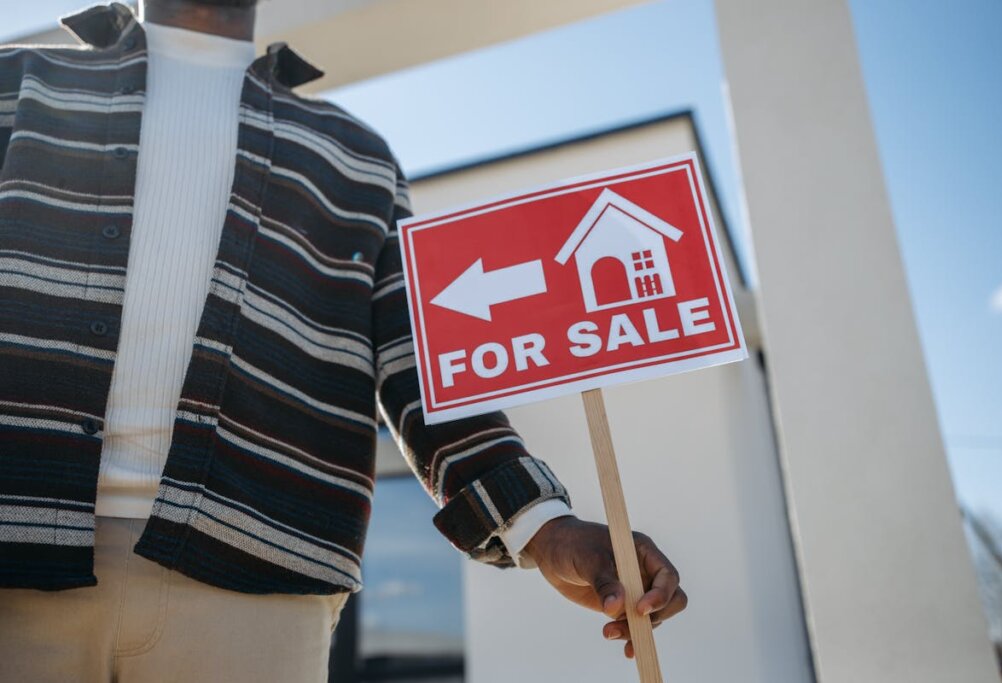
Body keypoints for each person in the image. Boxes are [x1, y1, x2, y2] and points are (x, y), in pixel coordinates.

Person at [0, 1, 687, 680]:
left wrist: (544, 524)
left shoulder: (357, 155)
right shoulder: (18, 82)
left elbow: (420, 360)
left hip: (259, 576)